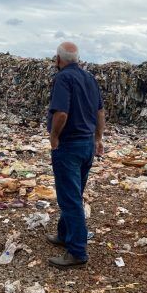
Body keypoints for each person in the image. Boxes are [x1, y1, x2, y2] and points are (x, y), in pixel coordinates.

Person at [46, 42, 105, 268]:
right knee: (74, 193)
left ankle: (77, 251)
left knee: (69, 198)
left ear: (59, 59)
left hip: (69, 145)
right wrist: (98, 138)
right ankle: (64, 235)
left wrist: (54, 137)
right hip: (86, 145)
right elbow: (100, 111)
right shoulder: (89, 78)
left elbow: (61, 113)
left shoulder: (62, 79)